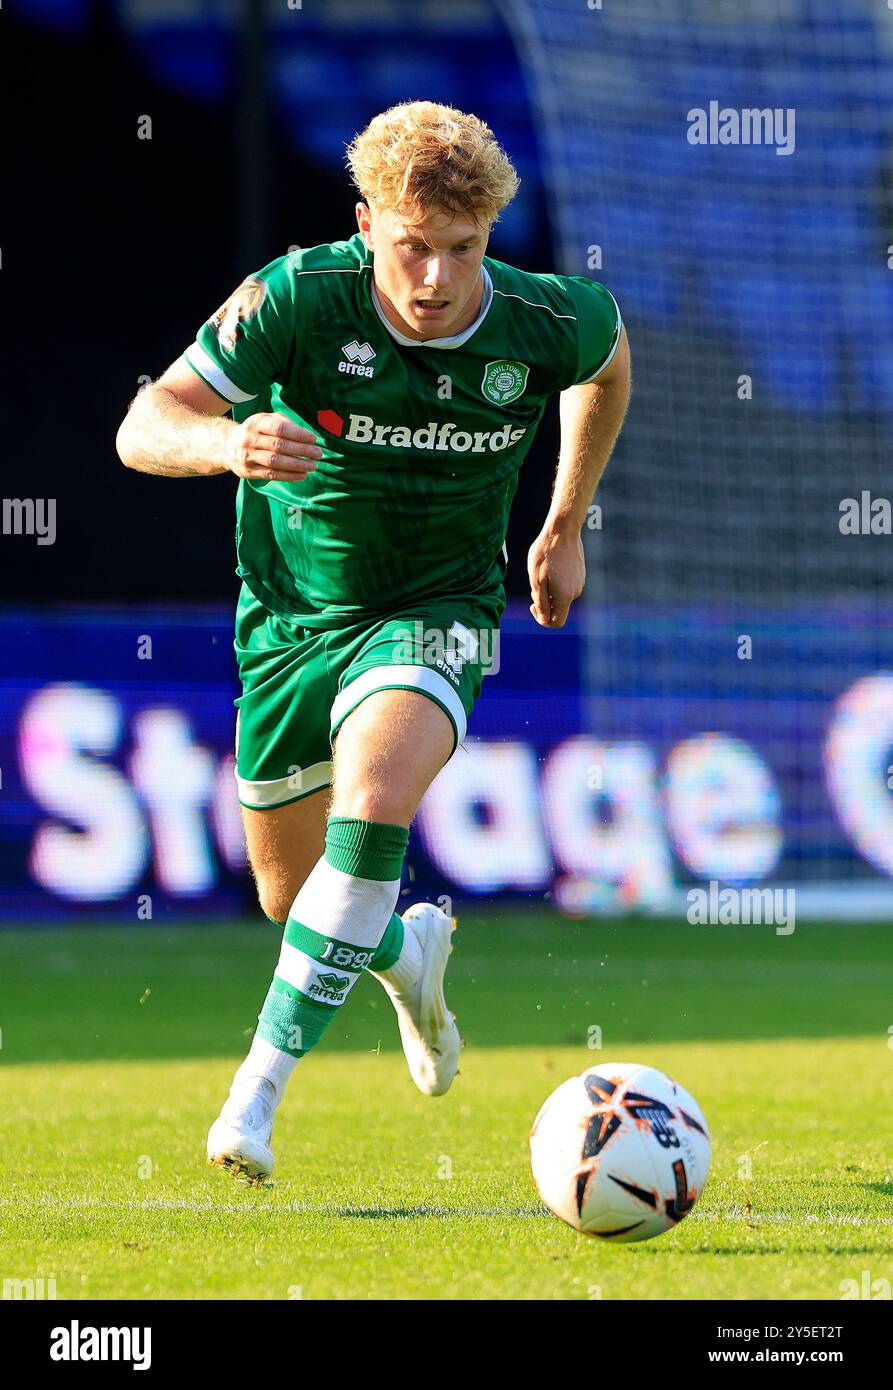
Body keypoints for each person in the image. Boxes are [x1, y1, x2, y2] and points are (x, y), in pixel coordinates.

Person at [115, 101, 631, 1182]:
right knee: (287, 894)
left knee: (377, 797)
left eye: (462, 250)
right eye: (412, 246)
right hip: (290, 621)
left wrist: (561, 523)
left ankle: (252, 1099)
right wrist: (223, 440)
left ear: (489, 235)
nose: (437, 279)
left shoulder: (545, 317)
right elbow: (141, 423)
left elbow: (608, 362)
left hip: (437, 607)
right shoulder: (297, 297)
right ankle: (409, 951)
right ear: (365, 223)